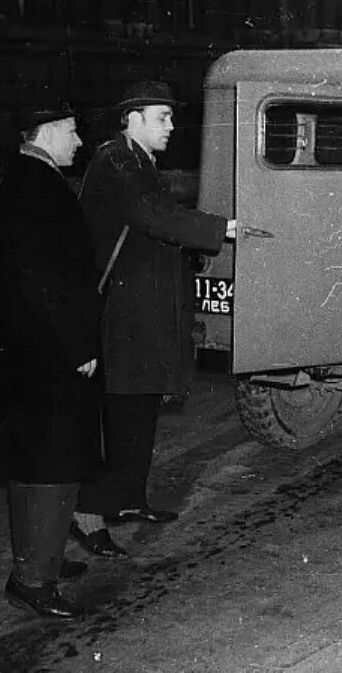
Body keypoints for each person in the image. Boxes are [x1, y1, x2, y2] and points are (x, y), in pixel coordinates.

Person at [68, 79, 235, 557]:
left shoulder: (139, 161)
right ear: (133, 118)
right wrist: (220, 228)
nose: (171, 125)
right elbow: (150, 215)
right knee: (120, 412)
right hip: (122, 312)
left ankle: (127, 500)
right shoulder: (115, 159)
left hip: (144, 307)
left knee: (140, 406)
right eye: (162, 117)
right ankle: (91, 515)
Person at [0, 101, 102, 618]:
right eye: (72, 131)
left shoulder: (27, 179)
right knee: (54, 467)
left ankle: (41, 561)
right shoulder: (36, 187)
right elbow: (44, 284)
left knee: (34, 464)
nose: (78, 142)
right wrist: (78, 348)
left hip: (32, 353)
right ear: (47, 131)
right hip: (53, 355)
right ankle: (34, 579)